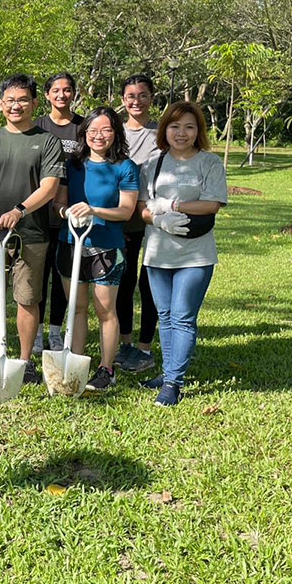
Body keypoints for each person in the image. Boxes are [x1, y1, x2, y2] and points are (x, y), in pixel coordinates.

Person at [0, 73, 64, 383]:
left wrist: (19, 211)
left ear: (34, 103)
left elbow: (49, 187)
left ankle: (24, 361)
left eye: (23, 99)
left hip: (31, 235)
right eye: (10, 100)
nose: (16, 105)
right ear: (0, 104)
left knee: (27, 298)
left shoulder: (46, 141)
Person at [138, 101, 227, 407]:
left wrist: (172, 205)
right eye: (175, 126)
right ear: (165, 129)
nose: (181, 133)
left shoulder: (209, 163)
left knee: (183, 317)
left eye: (189, 127)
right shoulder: (152, 164)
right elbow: (142, 208)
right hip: (156, 253)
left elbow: (212, 204)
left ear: (198, 131)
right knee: (164, 316)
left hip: (195, 256)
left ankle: (174, 383)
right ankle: (167, 372)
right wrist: (157, 217)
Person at [52, 106, 138, 394]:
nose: (98, 136)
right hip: (71, 243)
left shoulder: (125, 167)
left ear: (115, 133)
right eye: (92, 130)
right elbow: (58, 204)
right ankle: (75, 363)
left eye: (105, 130)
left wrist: (93, 210)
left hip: (106, 248)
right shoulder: (71, 165)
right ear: (83, 133)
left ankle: (106, 368)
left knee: (105, 311)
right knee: (75, 307)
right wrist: (68, 213)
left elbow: (126, 211)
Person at [35, 72, 84, 355]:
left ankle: (56, 331)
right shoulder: (39, 126)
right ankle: (37, 332)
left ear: (74, 93)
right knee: (39, 276)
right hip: (40, 214)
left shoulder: (83, 127)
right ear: (47, 94)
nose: (61, 95)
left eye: (67, 90)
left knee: (62, 273)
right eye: (56, 90)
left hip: (69, 215)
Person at [115, 74, 162, 373]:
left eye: (143, 95)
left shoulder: (163, 132)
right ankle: (125, 343)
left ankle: (145, 347)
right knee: (124, 279)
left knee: (150, 281)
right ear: (122, 99)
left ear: (152, 98)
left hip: (157, 216)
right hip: (125, 218)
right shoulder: (113, 131)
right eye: (130, 96)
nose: (136, 101)